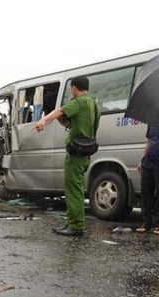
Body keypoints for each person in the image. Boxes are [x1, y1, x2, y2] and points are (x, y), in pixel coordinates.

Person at [35, 76, 99, 237]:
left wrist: (44, 119)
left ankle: (76, 225)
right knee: (75, 189)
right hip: (86, 152)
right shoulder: (94, 104)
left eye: (71, 88)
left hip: (76, 154)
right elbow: (80, 125)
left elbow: (61, 111)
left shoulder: (80, 102)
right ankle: (71, 222)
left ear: (74, 88)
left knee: (73, 191)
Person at [136, 125, 159, 234]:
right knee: (146, 192)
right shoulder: (152, 123)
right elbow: (148, 142)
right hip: (148, 164)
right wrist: (142, 161)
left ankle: (157, 224)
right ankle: (146, 223)